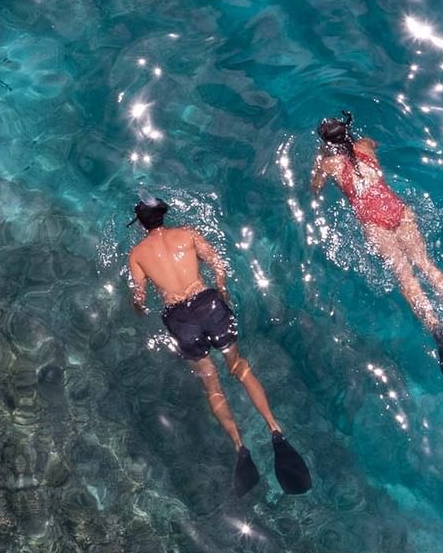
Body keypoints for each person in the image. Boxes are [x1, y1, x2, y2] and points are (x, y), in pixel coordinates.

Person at [309, 111, 443, 394]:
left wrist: (321, 154)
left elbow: (314, 189)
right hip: (398, 210)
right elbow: (373, 142)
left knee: (407, 279)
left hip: (375, 222)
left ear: (327, 143)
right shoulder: (363, 145)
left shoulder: (329, 164)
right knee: (427, 266)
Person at [128, 197, 311, 496]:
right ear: (164, 215)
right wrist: (222, 289)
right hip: (210, 304)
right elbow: (217, 264)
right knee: (238, 366)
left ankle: (240, 446)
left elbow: (139, 300)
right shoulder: (187, 233)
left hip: (179, 318)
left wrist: (138, 307)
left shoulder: (136, 254)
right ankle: (275, 429)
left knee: (211, 383)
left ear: (139, 224)